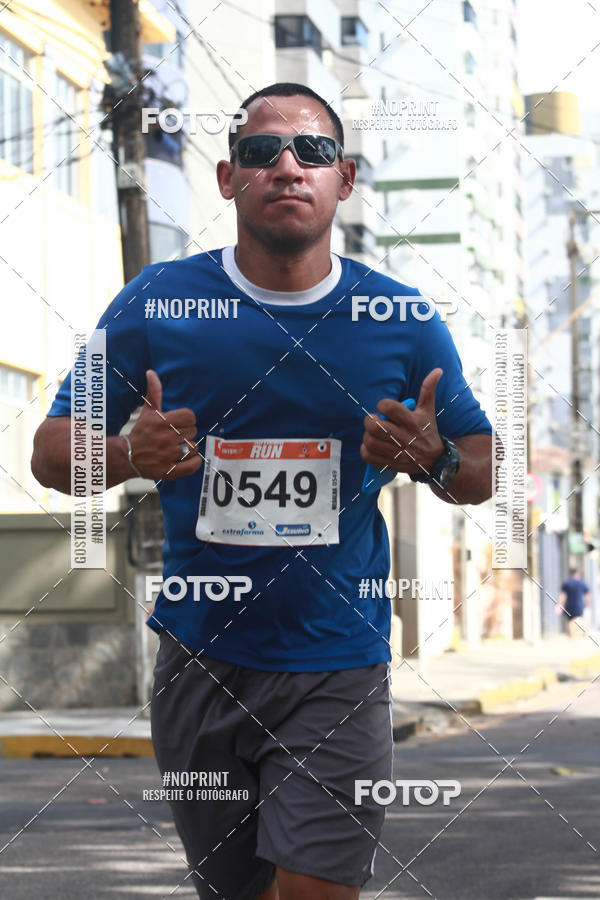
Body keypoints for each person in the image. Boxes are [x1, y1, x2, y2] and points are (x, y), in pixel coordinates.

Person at [31, 82, 494, 900]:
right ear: (226, 176)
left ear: (342, 178)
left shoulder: (399, 315)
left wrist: (434, 460)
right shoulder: (155, 305)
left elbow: (484, 465)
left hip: (337, 665)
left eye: (311, 151)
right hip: (199, 662)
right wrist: (126, 454)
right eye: (259, 152)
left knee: (316, 891)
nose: (286, 167)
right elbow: (49, 454)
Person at [557, 568, 590, 638]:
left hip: (569, 606)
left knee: (570, 620)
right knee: (579, 619)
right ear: (577, 573)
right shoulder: (581, 582)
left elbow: (563, 595)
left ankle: (572, 636)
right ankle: (578, 635)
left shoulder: (567, 583)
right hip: (579, 605)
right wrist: (588, 603)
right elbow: (587, 594)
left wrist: (560, 603)